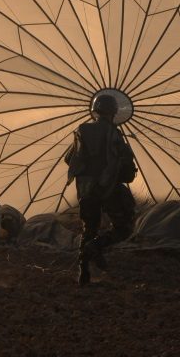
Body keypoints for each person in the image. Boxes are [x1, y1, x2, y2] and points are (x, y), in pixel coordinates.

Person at [63, 93, 136, 286]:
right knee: (124, 227)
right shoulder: (114, 133)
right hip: (108, 188)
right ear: (113, 112)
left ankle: (83, 274)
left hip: (86, 190)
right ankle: (96, 246)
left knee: (89, 228)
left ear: (95, 111)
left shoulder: (82, 131)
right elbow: (126, 165)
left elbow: (69, 159)